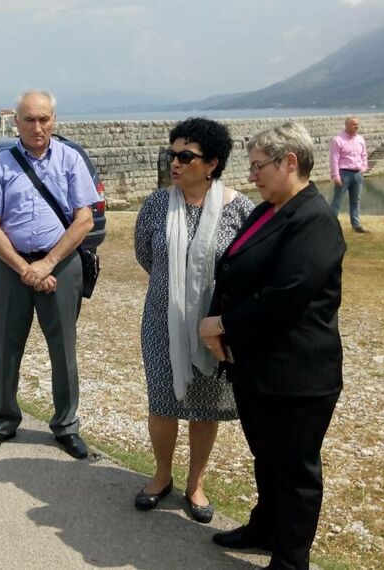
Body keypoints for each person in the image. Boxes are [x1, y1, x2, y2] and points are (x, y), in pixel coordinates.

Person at [200, 121, 346, 570]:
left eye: (259, 166)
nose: (252, 175)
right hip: (258, 365)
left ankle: (291, 559)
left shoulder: (314, 219)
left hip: (298, 372)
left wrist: (221, 322)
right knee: (267, 457)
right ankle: (265, 527)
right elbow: (235, 271)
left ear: (290, 162)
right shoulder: (269, 209)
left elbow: (287, 295)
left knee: (296, 470)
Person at [132, 118, 254, 523]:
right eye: (172, 154)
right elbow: (147, 257)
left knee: (205, 409)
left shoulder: (240, 209)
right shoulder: (155, 205)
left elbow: (246, 269)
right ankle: (161, 475)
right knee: (163, 402)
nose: (176, 163)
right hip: (160, 322)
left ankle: (195, 483)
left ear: (212, 163)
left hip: (214, 328)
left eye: (186, 156)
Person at [0, 90, 99, 460]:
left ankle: (66, 425)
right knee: (6, 346)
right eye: (29, 119)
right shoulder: (0, 163)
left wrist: (47, 263)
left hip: (60, 264)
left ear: (54, 121)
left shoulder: (70, 159)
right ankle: (4, 420)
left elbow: (84, 219)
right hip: (11, 266)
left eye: (44, 118)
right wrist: (25, 268)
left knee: (63, 350)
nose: (37, 126)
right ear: (17, 122)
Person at [328, 116, 369, 233]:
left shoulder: (360, 139)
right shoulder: (338, 140)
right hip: (344, 173)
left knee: (355, 201)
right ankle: (331, 225)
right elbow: (334, 159)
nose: (356, 126)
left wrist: (364, 167)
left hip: (357, 174)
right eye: (354, 124)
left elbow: (364, 155)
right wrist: (335, 175)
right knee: (337, 200)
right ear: (347, 125)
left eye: (357, 124)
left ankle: (356, 225)